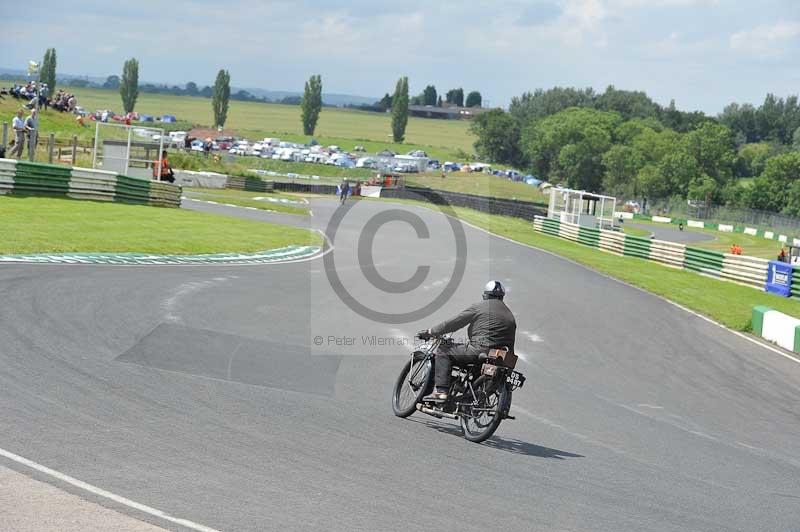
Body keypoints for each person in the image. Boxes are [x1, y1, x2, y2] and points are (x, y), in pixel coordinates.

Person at [418, 281, 517, 403]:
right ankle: (469, 400)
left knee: (444, 350)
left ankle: (441, 391)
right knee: (475, 364)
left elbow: (455, 322)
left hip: (479, 350)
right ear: (502, 297)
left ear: (485, 296)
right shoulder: (509, 314)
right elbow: (511, 342)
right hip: (500, 357)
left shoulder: (480, 307)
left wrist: (431, 332)